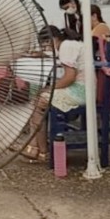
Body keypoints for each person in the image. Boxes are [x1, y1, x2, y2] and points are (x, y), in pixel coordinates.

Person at [22, 26, 86, 162]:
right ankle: (36, 149)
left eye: (45, 45)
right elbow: (54, 55)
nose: (46, 49)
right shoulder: (68, 44)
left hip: (80, 91)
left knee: (38, 101)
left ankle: (40, 150)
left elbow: (69, 77)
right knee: (39, 100)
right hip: (82, 87)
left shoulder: (66, 47)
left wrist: (50, 88)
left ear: (52, 39)